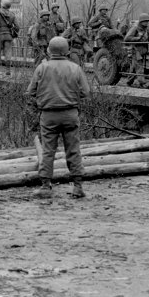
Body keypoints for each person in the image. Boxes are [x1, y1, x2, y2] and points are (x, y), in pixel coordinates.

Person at [26, 36, 91, 199]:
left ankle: (46, 186)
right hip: (70, 113)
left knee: (48, 150)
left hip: (48, 115)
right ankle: (77, 186)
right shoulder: (75, 68)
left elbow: (31, 91)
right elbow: (85, 92)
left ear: (49, 51)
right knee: (73, 149)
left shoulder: (41, 68)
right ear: (67, 51)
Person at [123, 13, 149, 86]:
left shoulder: (147, 29)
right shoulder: (135, 28)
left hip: (143, 50)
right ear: (141, 21)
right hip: (136, 49)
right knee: (139, 66)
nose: (146, 23)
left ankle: (129, 81)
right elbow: (126, 38)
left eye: (147, 21)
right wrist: (137, 39)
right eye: (145, 21)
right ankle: (142, 82)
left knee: (134, 66)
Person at [0, 1, 19, 75]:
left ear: (2, 5)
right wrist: (12, 30)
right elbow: (17, 27)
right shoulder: (12, 14)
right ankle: (8, 70)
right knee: (8, 52)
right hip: (8, 35)